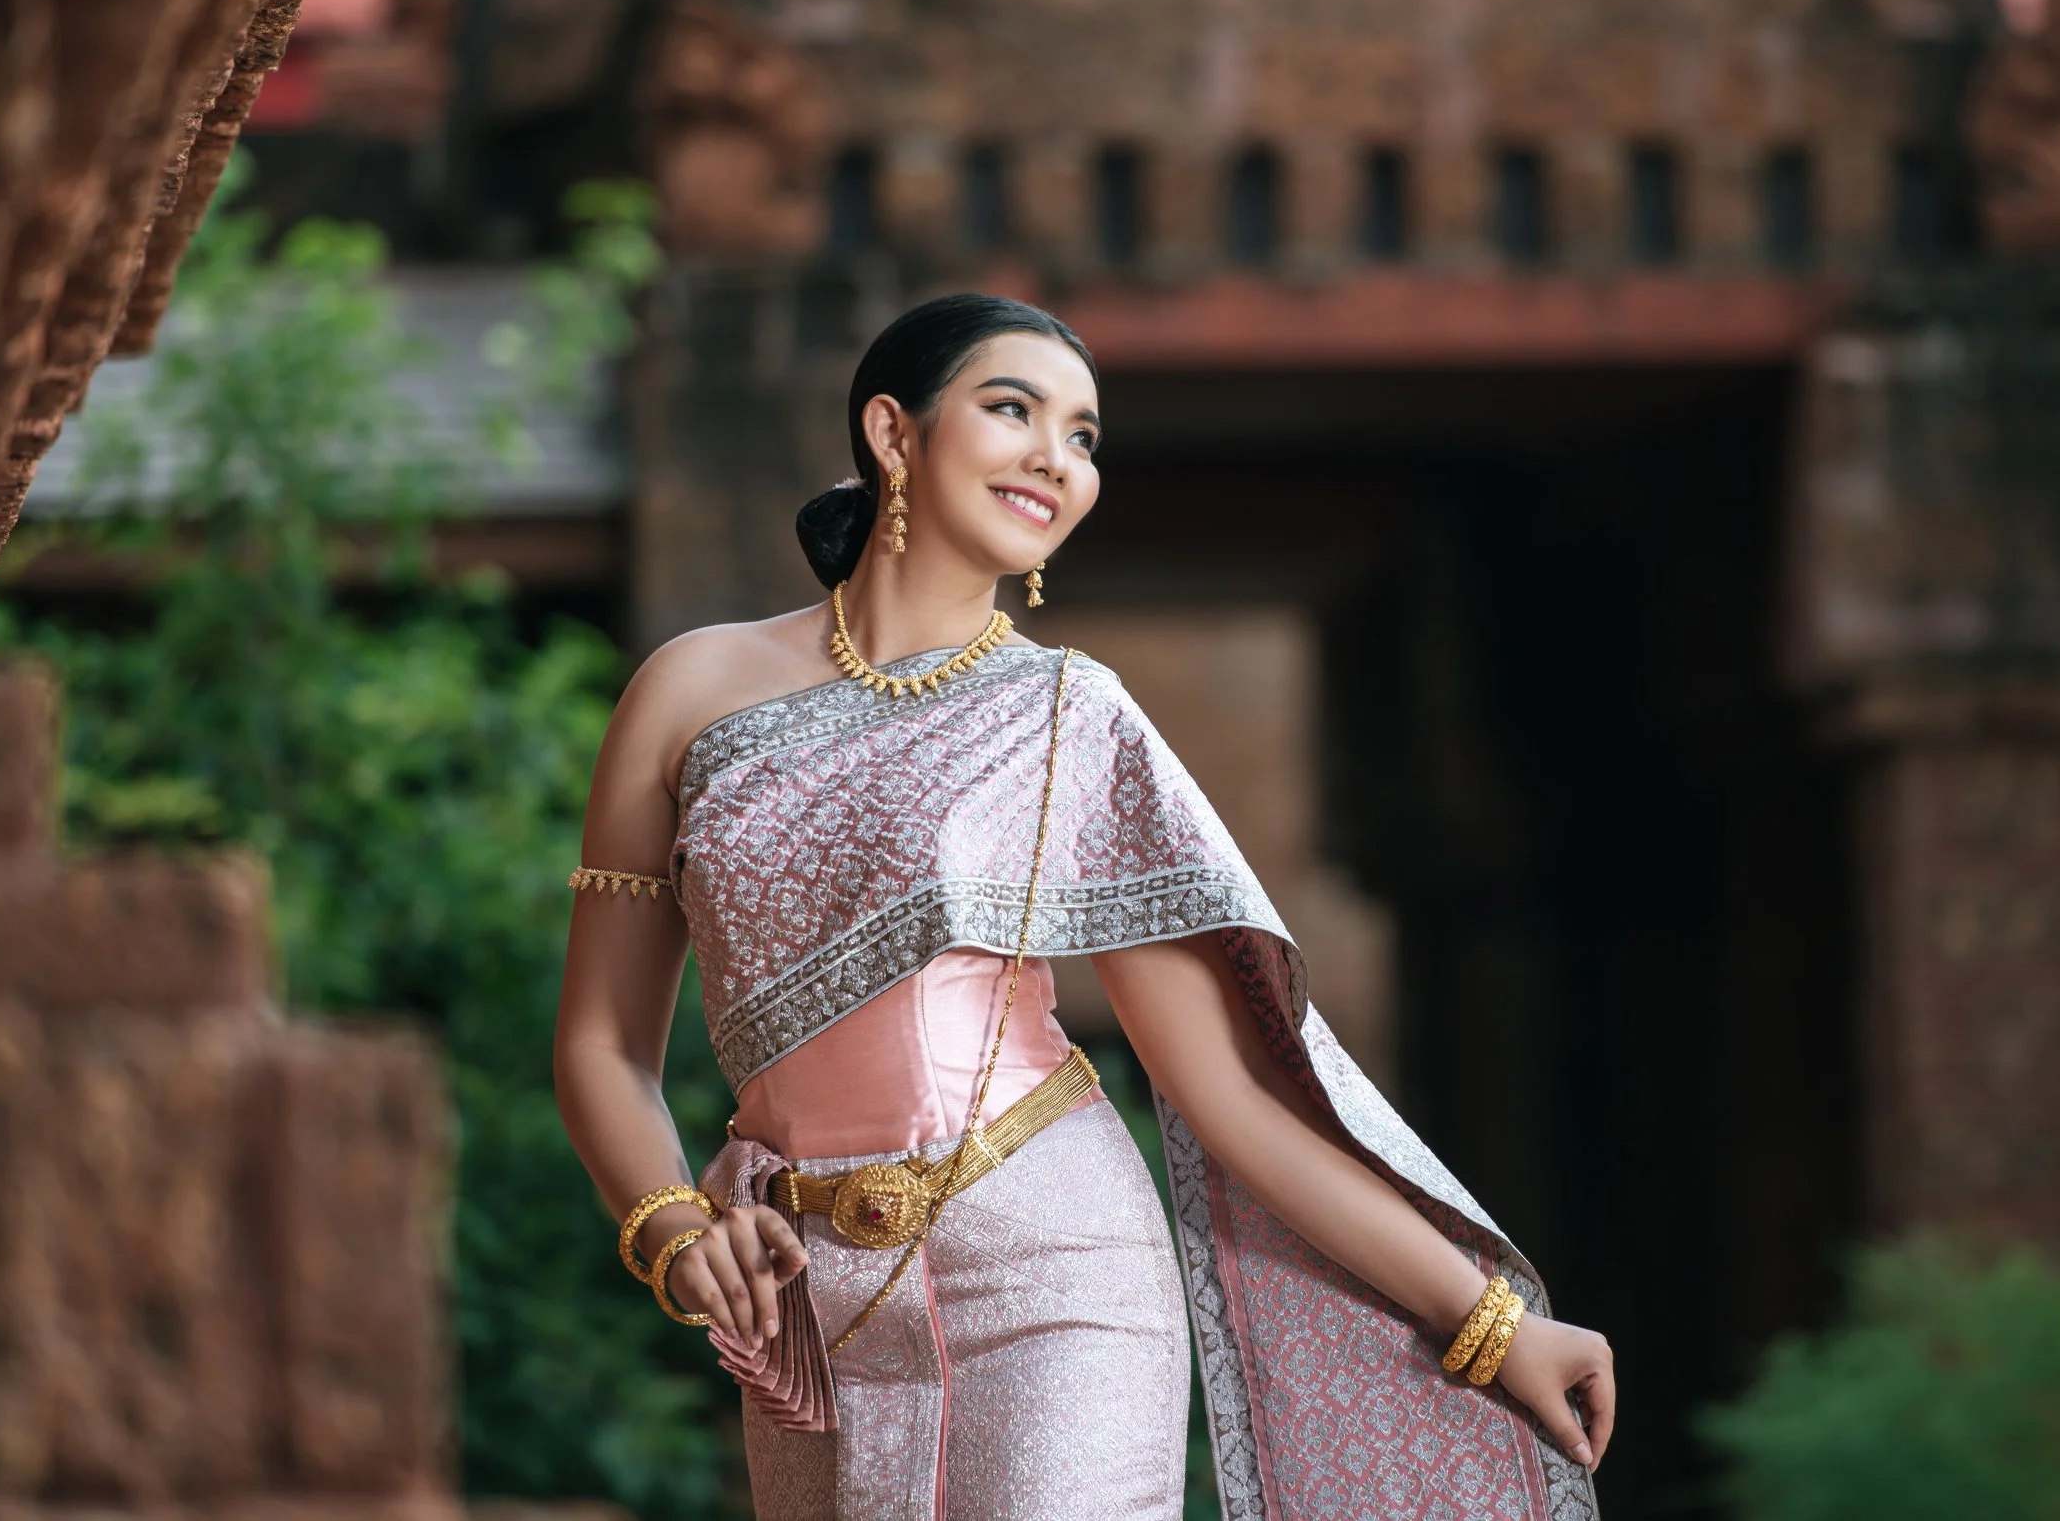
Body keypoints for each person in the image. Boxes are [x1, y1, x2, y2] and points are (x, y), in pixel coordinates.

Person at [553, 293, 1615, 1519]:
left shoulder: (1072, 715)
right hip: (809, 1305)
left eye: (1085, 435)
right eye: (1013, 410)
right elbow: (600, 1046)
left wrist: (1490, 1325)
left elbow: (1225, 1093)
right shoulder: (687, 690)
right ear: (893, 434)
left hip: (1054, 1267)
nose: (1055, 457)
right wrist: (676, 1231)